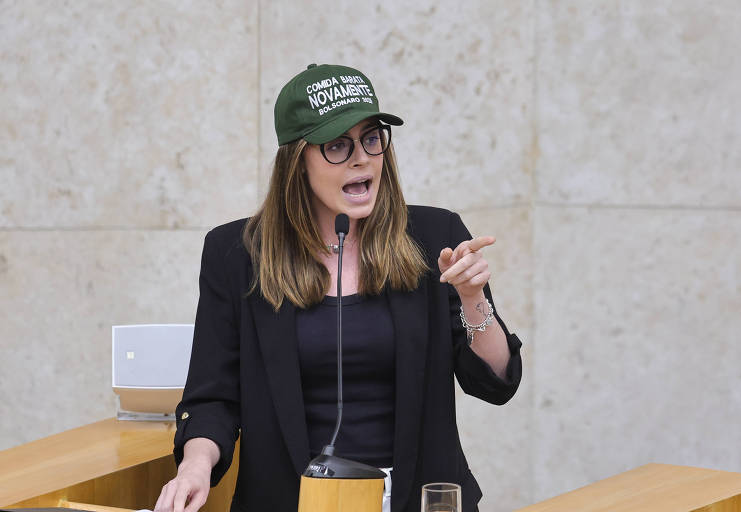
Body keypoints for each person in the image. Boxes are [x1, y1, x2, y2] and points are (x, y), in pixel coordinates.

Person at [153, 63, 522, 512]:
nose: (361, 158)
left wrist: (473, 298)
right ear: (297, 160)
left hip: (418, 501)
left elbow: (496, 382)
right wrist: (194, 465)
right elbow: (213, 396)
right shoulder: (237, 253)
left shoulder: (434, 235)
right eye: (337, 146)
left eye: (371, 138)